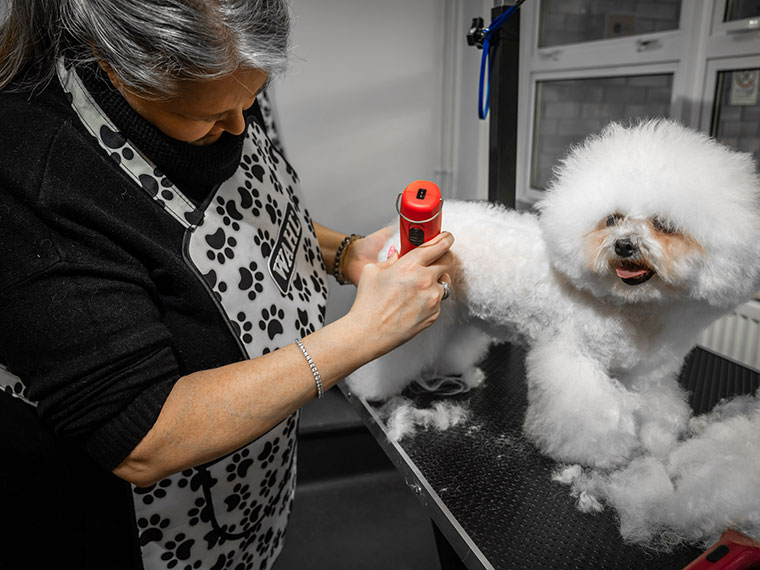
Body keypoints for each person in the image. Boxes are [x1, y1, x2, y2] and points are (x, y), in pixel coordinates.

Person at [0, 1, 454, 568]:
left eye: (251, 101)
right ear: (119, 65)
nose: (239, 127)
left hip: (242, 494)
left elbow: (239, 213)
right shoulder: (32, 174)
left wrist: (345, 253)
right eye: (213, 116)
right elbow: (144, 431)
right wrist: (363, 334)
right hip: (136, 524)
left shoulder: (228, 80)